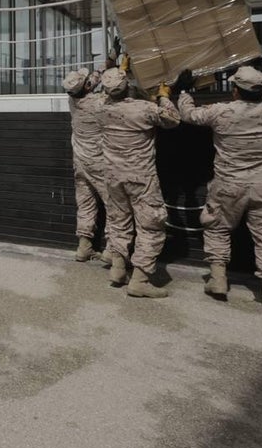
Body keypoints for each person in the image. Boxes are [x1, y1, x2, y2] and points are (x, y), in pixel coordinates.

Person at [175, 66, 262, 315]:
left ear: (235, 91)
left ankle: (218, 280)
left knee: (217, 229)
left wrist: (184, 90)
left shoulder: (221, 111)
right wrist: (257, 74)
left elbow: (188, 115)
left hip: (228, 185)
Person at [97, 67, 180, 297]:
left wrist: (115, 70)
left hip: (113, 176)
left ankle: (117, 269)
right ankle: (140, 280)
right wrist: (164, 95)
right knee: (151, 225)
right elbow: (173, 119)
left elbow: (105, 96)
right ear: (127, 87)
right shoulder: (145, 109)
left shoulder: (100, 108)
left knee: (118, 222)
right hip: (141, 178)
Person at [63, 67, 106, 262]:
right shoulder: (98, 103)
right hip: (99, 163)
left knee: (86, 205)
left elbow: (89, 84)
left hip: (80, 163)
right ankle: (113, 251)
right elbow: (116, 93)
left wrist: (105, 66)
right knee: (114, 206)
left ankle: (84, 247)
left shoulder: (73, 100)